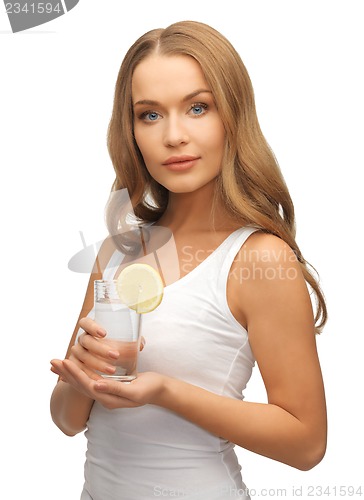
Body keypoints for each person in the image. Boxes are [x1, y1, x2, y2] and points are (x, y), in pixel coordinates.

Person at [50, 20, 328, 500]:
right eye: (150, 115)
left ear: (233, 116)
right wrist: (81, 373)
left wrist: (165, 391)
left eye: (197, 108)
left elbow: (307, 444)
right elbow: (67, 421)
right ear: (131, 129)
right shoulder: (119, 249)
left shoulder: (259, 258)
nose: (173, 135)